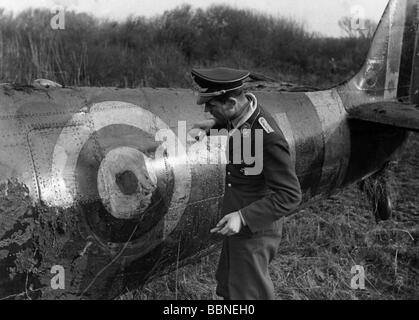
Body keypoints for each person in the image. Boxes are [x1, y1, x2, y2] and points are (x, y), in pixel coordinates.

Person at [191, 67, 302, 300]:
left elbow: (291, 196)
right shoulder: (244, 113)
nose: (206, 110)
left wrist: (242, 218)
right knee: (229, 286)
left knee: (249, 294)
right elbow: (240, 127)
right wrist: (213, 126)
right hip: (239, 224)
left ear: (231, 103)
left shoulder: (269, 139)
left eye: (211, 107)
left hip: (254, 229)